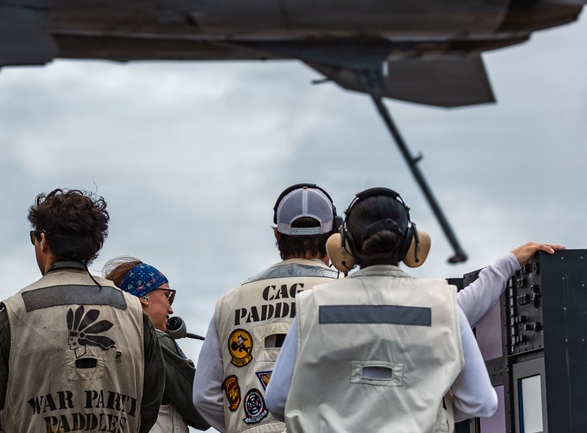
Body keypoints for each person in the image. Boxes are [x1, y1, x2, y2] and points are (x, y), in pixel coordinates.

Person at [192, 183, 563, 433]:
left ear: (346, 244)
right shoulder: (438, 304)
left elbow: (227, 398)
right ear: (411, 243)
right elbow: (478, 392)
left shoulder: (286, 304)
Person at [264, 187, 496, 432]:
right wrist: (429, 409)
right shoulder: (443, 304)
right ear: (411, 242)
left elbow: (277, 400)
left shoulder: (312, 305)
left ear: (343, 245)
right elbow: (481, 402)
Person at [0, 188, 165, 433]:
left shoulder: (15, 314)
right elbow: (150, 402)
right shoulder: (135, 314)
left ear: (43, 240)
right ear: (93, 246)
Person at [193, 184, 341, 433]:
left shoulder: (231, 300)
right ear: (334, 236)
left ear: (277, 235)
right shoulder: (345, 292)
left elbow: (203, 396)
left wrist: (242, 425)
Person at [105, 257, 210, 432]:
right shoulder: (158, 341)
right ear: (143, 296)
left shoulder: (107, 340)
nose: (171, 309)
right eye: (167, 296)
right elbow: (202, 411)